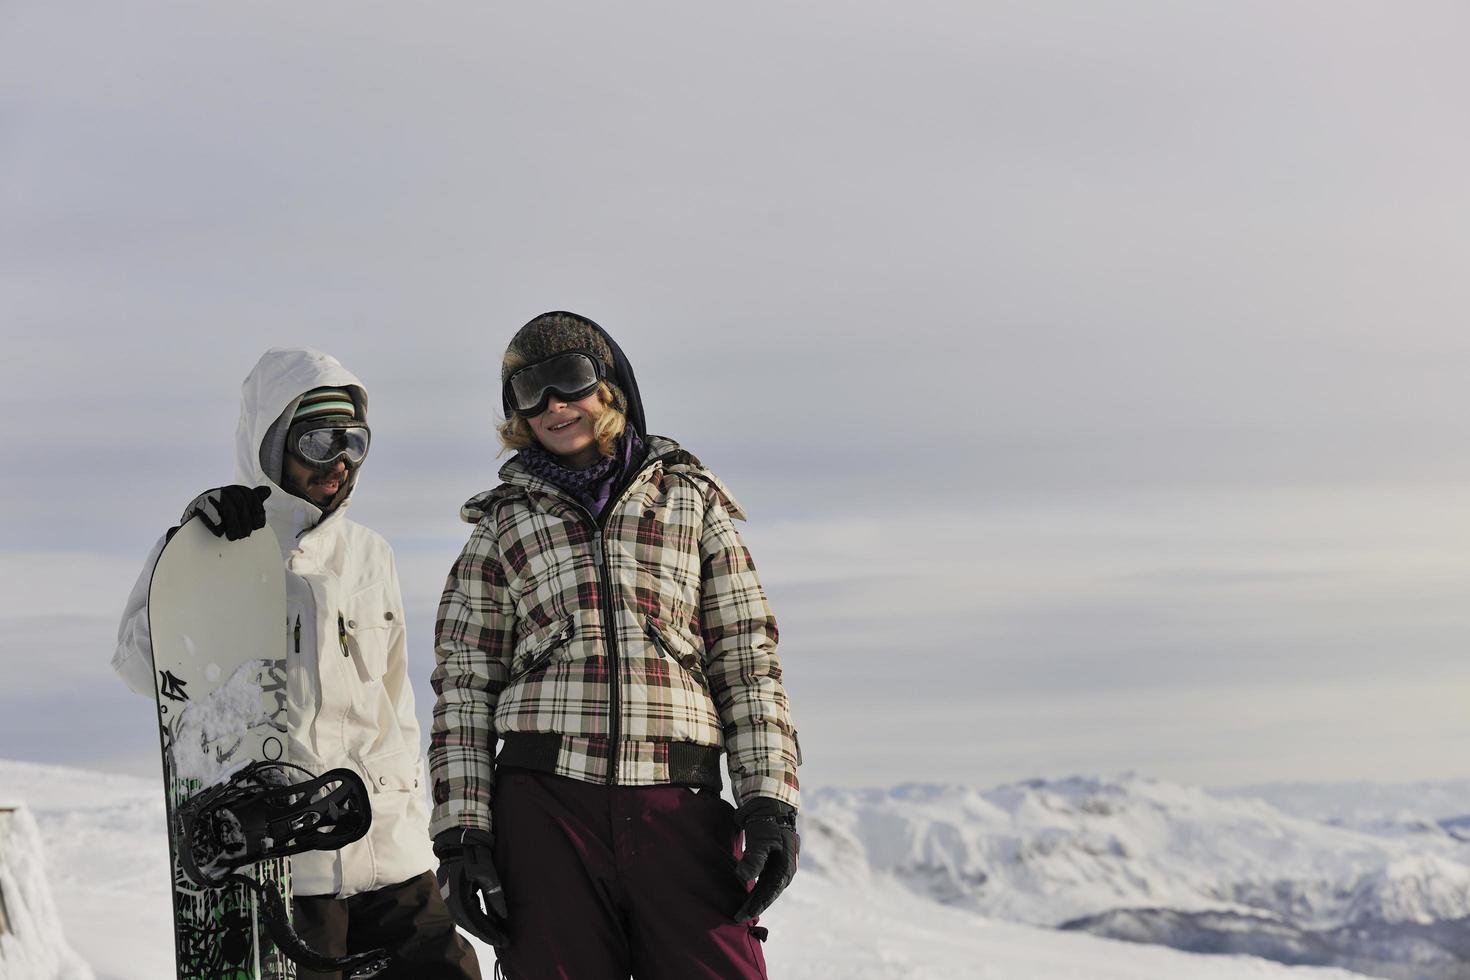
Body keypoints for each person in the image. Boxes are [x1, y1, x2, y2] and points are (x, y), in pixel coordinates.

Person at [429, 311, 802, 979]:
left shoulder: (691, 503)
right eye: (528, 392)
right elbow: (464, 686)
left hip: (677, 802)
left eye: (568, 380)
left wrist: (769, 804)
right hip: (545, 808)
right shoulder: (500, 527)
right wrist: (462, 837)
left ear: (611, 387)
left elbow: (747, 663)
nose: (553, 405)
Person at [113, 347, 481, 980]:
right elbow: (140, 662)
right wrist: (188, 551)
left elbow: (398, 707)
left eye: (354, 442)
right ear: (272, 442)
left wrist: (417, 824)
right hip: (286, 866)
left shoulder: (372, 554)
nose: (338, 460)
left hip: (392, 856)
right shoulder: (217, 548)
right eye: (316, 440)